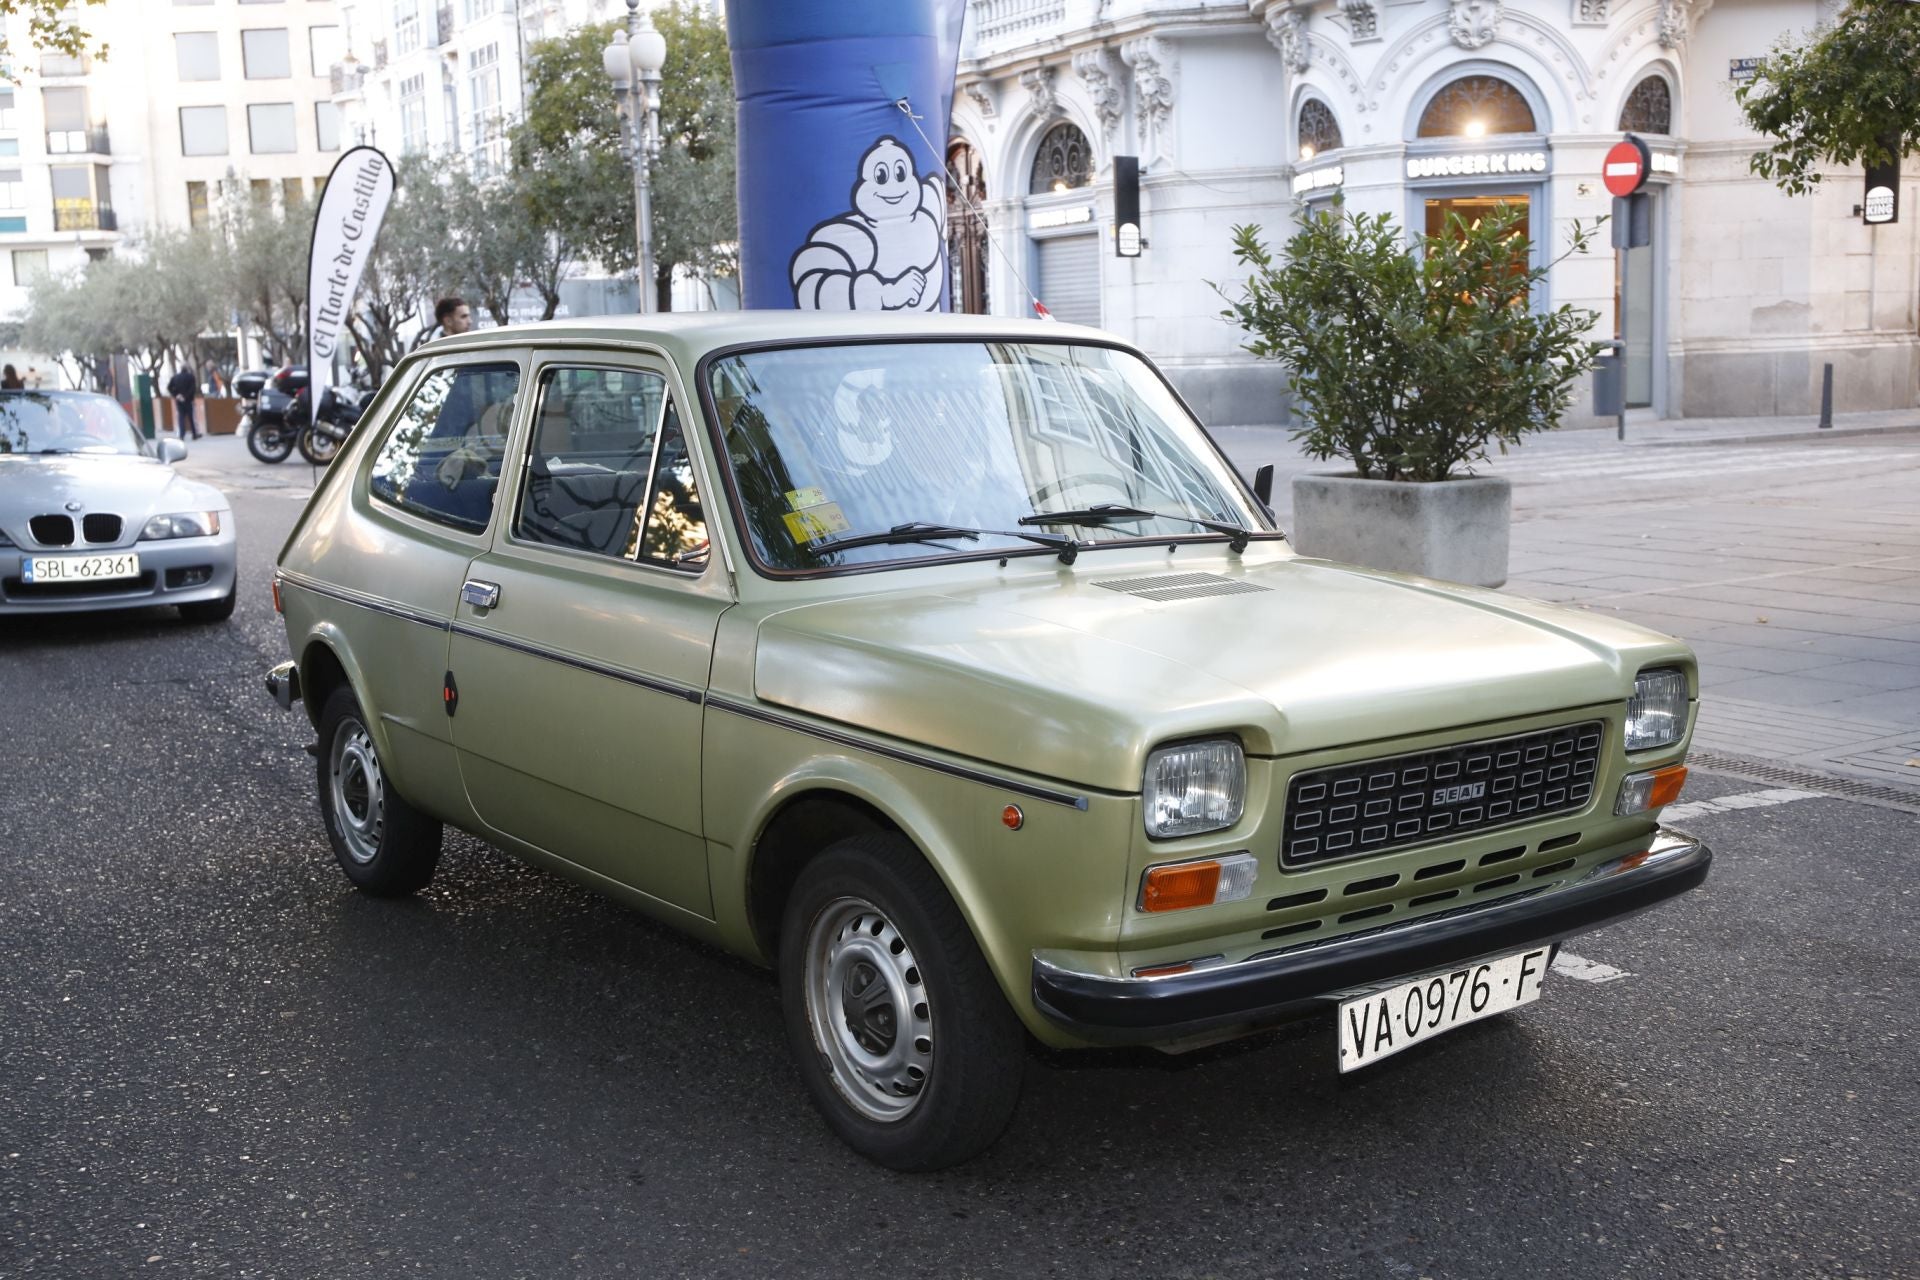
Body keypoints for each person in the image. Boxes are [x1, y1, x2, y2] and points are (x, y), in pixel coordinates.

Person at [167, 364, 201, 440]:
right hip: (188, 400)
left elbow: (169, 387)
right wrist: (185, 397)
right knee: (191, 418)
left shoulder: (175, 377)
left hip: (179, 400)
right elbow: (192, 389)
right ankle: (194, 434)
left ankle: (182, 434)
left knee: (181, 418)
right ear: (187, 369)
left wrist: (176, 395)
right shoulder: (191, 377)